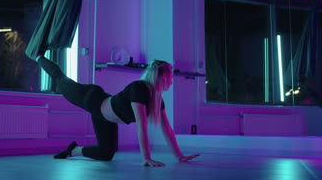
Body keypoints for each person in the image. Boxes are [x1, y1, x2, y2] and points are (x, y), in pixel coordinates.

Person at [36, 55, 200, 166]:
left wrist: (180, 156)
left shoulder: (157, 99)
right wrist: (146, 157)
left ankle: (72, 150)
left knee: (106, 154)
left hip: (106, 118)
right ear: (162, 77)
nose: (172, 82)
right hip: (92, 99)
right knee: (61, 80)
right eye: (171, 78)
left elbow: (167, 129)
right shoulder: (139, 89)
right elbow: (141, 125)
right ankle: (39, 56)